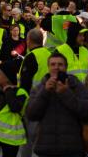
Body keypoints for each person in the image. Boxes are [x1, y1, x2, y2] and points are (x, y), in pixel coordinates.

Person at [26, 52, 88, 157]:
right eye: (53, 64)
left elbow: (87, 111)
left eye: (60, 64)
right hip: (46, 148)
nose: (56, 67)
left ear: (66, 67)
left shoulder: (76, 85)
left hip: (72, 148)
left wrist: (66, 93)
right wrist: (45, 92)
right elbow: (31, 114)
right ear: (48, 67)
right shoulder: (40, 87)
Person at [0, 61, 28, 157]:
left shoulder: (20, 93)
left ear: (8, 77)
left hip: (10, 138)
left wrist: (8, 90)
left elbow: (14, 107)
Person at [18, 29, 51, 157]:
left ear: (28, 41)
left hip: (32, 104)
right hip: (48, 103)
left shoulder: (31, 57)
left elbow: (25, 84)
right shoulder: (49, 54)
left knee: (28, 141)